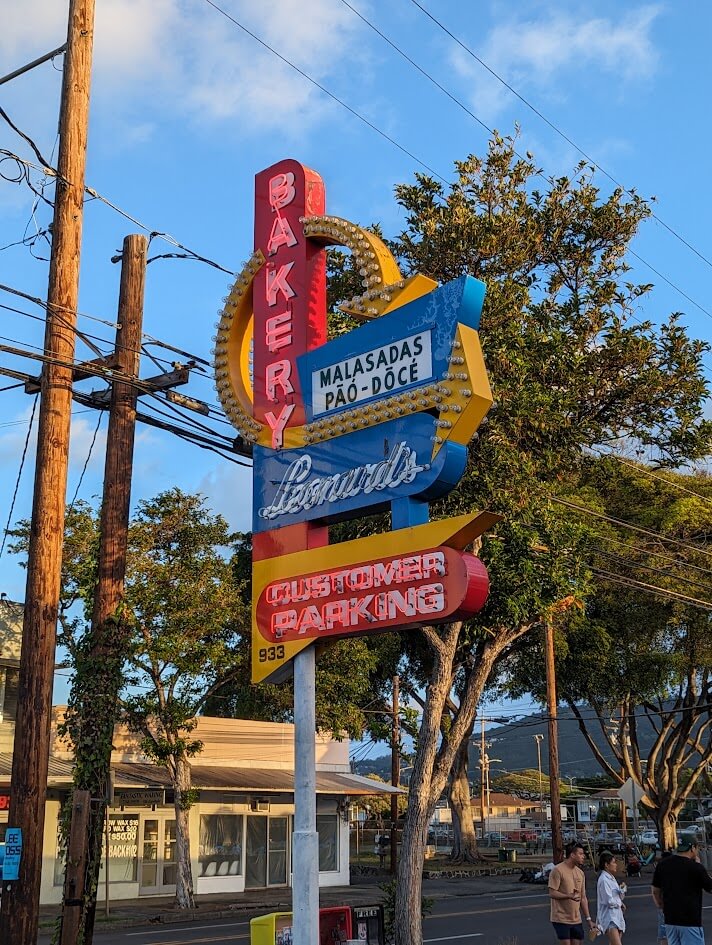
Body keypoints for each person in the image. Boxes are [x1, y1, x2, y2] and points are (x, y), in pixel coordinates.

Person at [652, 838, 712, 945]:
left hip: (670, 920)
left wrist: (661, 905)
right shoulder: (696, 868)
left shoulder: (663, 864)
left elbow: (655, 890)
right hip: (690, 921)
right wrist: (700, 867)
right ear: (692, 848)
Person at [548, 841, 595, 944]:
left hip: (576, 919)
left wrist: (589, 919)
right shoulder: (558, 870)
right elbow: (552, 893)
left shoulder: (580, 873)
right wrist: (568, 896)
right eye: (580, 854)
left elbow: (583, 898)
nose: (583, 856)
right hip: (561, 918)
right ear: (572, 855)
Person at [596, 852, 626, 944]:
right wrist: (619, 904)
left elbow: (618, 897)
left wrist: (622, 890)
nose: (615, 865)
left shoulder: (611, 878)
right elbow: (608, 901)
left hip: (617, 916)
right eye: (613, 862)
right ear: (606, 865)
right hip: (609, 918)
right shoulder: (604, 880)